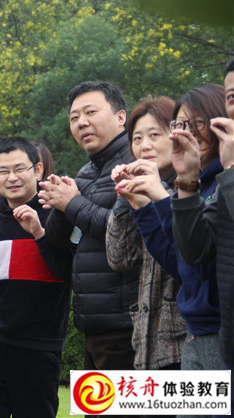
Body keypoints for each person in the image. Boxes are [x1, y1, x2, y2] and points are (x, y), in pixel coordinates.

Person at [0, 137, 72, 418]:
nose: (12, 178)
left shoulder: (59, 214)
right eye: (3, 171)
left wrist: (39, 234)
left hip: (38, 346)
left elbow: (69, 273)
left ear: (37, 170)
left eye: (20, 169)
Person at [39, 81, 140, 375]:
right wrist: (60, 202)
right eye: (74, 117)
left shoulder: (135, 163)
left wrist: (72, 203)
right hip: (93, 322)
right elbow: (58, 240)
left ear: (121, 117)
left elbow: (126, 233)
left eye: (90, 112)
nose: (81, 122)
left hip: (127, 323)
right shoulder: (87, 171)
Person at [105, 95, 189, 373]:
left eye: (154, 135)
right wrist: (124, 198)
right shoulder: (142, 189)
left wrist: (159, 195)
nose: (145, 146)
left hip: (185, 344)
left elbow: (188, 258)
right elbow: (119, 258)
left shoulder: (191, 190)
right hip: (148, 344)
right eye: (137, 138)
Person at [171, 75, 234, 372]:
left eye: (198, 122)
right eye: (181, 124)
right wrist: (186, 179)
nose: (189, 132)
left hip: (221, 327)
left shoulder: (224, 177)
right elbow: (194, 252)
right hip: (196, 329)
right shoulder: (203, 183)